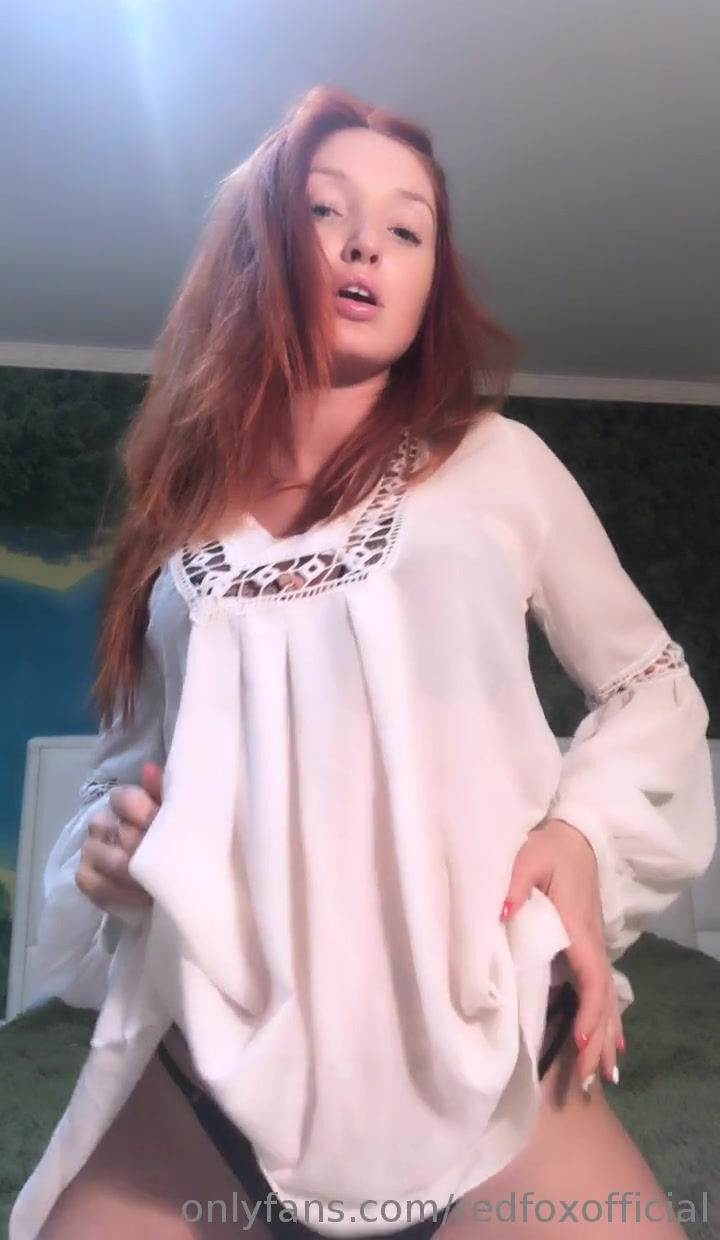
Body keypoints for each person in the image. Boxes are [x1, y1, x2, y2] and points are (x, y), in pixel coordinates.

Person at [11, 86, 716, 1240]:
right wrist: (111, 852)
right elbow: (128, 769)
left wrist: (583, 831)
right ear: (260, 248)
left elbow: (652, 684)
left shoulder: (501, 464)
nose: (363, 244)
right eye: (325, 211)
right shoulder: (176, 529)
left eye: (405, 228)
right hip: (209, 1065)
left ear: (431, 280)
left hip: (487, 1052)